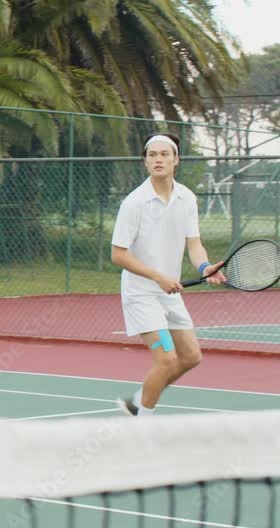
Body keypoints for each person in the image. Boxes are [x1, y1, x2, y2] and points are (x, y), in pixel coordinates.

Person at [111, 132, 226, 417]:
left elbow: (194, 244)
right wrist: (157, 277)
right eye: (152, 155)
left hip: (169, 293)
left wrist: (204, 267)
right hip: (141, 294)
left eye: (165, 154)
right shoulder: (134, 203)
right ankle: (142, 425)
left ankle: (139, 401)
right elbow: (118, 254)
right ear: (145, 162)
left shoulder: (186, 198)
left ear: (176, 160)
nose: (158, 159)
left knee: (190, 357)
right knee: (166, 359)